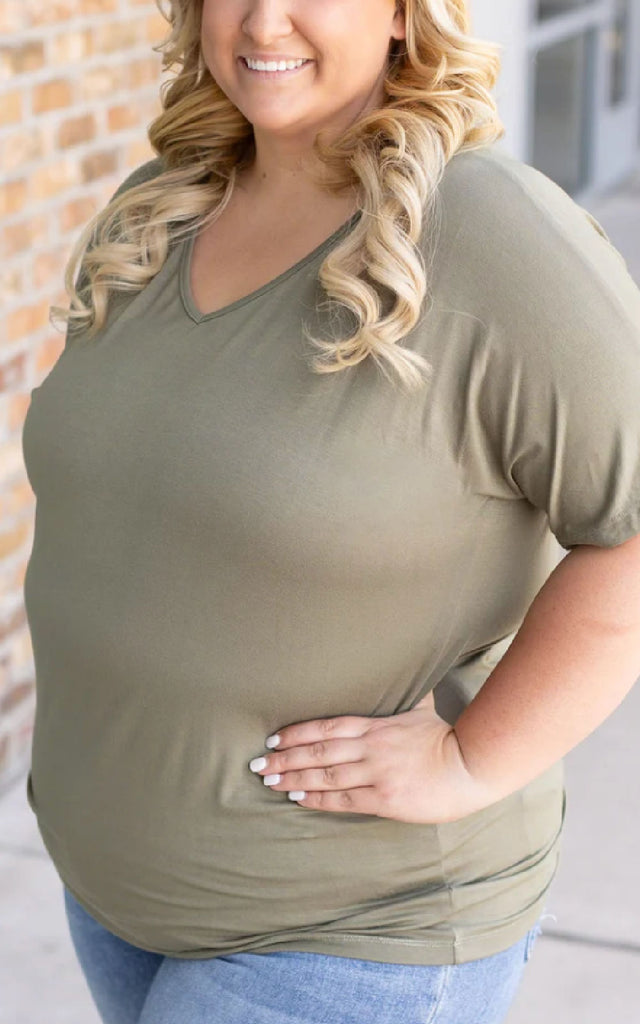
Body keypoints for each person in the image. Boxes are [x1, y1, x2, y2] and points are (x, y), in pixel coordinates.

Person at [21, 0, 640, 1022]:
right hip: (115, 899)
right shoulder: (161, 207)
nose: (266, 20)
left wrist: (465, 757)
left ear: (403, 14)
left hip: (350, 933)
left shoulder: (494, 235)